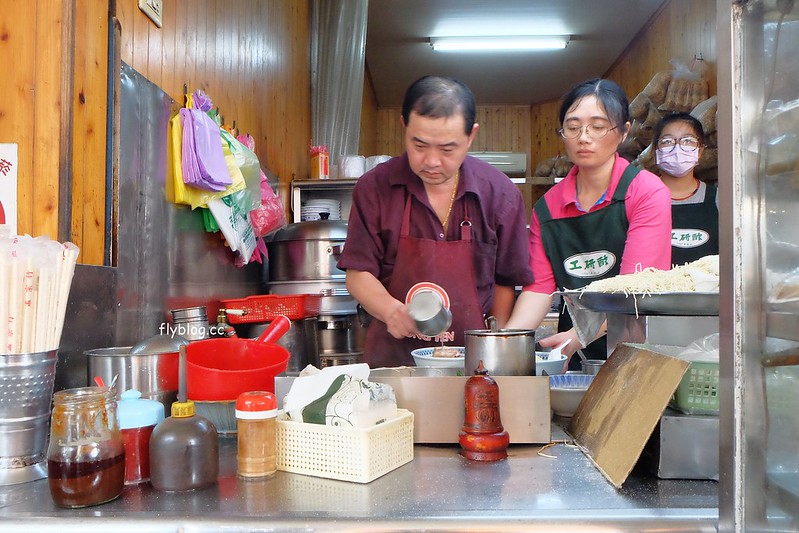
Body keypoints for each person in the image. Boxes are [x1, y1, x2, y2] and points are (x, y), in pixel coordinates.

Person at [337, 75, 534, 368]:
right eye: (419, 145)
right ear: (404, 126)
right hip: (394, 364)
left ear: (471, 136)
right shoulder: (374, 188)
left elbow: (506, 280)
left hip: (475, 364)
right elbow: (358, 274)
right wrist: (391, 310)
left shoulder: (499, 193)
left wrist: (495, 346)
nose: (431, 161)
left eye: (447, 149)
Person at [505, 78, 672, 369]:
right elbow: (539, 289)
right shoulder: (548, 207)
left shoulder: (645, 192)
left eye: (598, 126)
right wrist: (505, 342)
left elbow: (634, 288)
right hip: (572, 344)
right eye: (573, 127)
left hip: (637, 344)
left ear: (623, 132)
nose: (584, 137)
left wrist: (579, 336)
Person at [652, 112, 719, 265]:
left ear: (700, 151)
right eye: (667, 141)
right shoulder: (640, 200)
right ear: (656, 150)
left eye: (688, 141)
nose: (677, 148)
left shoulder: (718, 200)